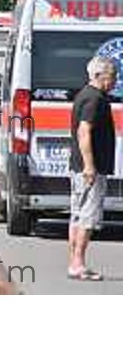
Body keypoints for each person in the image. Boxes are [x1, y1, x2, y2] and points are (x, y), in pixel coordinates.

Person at [68, 56, 117, 281]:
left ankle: (74, 262)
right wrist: (90, 166)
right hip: (89, 169)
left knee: (78, 215)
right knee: (87, 216)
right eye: (111, 76)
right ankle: (78, 263)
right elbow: (84, 131)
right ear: (98, 76)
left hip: (81, 167)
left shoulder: (85, 95)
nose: (115, 81)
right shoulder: (94, 99)